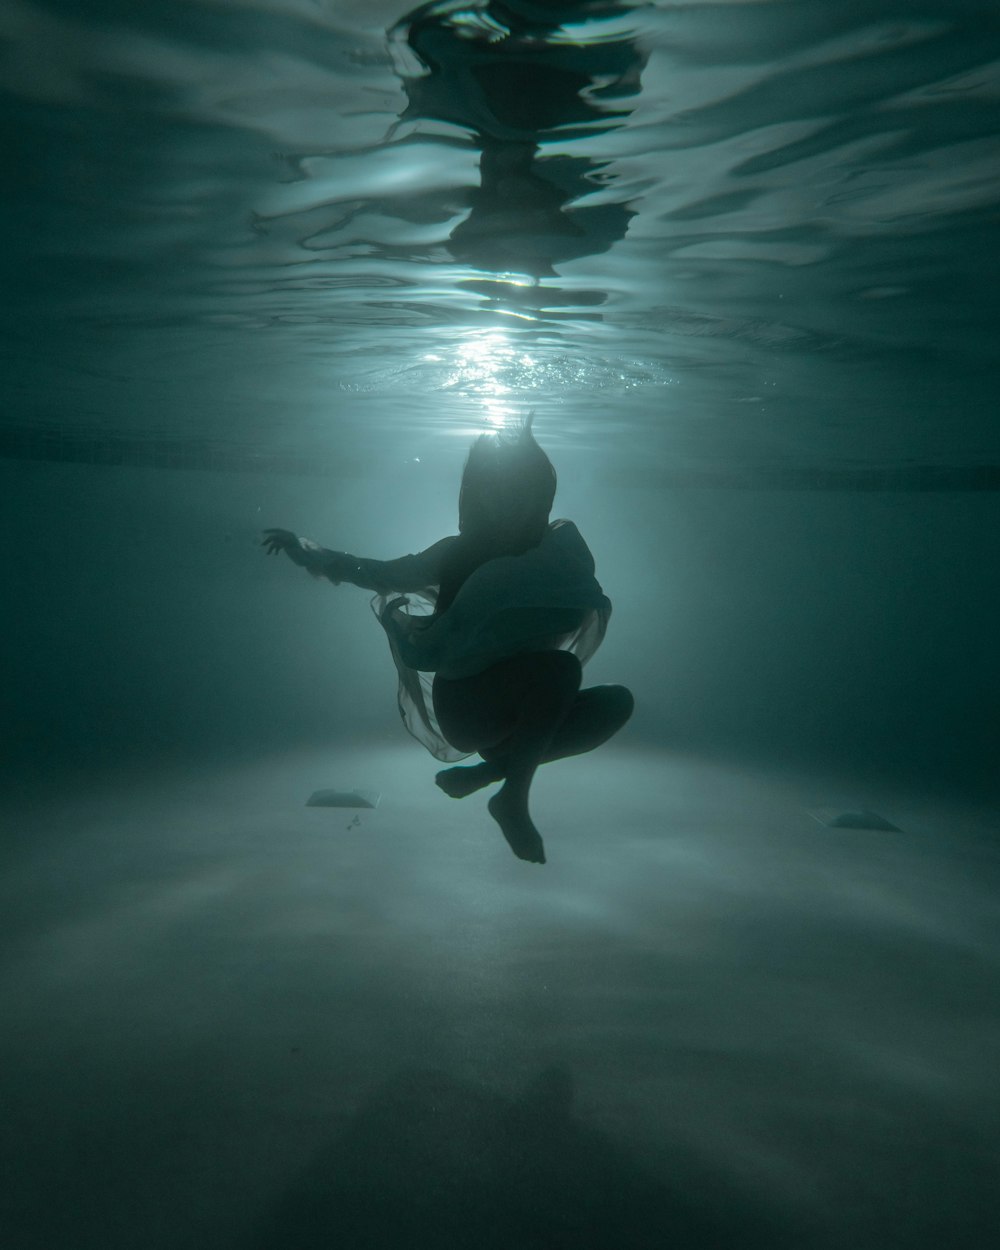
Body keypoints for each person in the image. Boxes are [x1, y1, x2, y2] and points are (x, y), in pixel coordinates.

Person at [262, 417, 632, 864]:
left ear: (539, 494)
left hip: (526, 710)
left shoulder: (560, 550)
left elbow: (580, 606)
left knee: (617, 703)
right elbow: (380, 573)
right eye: (495, 489)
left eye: (521, 489)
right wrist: (311, 552)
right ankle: (514, 798)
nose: (507, 501)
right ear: (477, 494)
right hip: (468, 706)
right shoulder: (460, 552)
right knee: (561, 670)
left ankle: (490, 774)